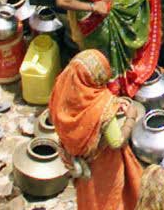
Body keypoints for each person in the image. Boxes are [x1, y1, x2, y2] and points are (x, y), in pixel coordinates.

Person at [50, 50, 143, 210]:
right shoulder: (100, 106)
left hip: (81, 165)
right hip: (105, 166)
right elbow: (116, 141)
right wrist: (131, 118)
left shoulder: (61, 92)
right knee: (111, 201)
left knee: (89, 199)